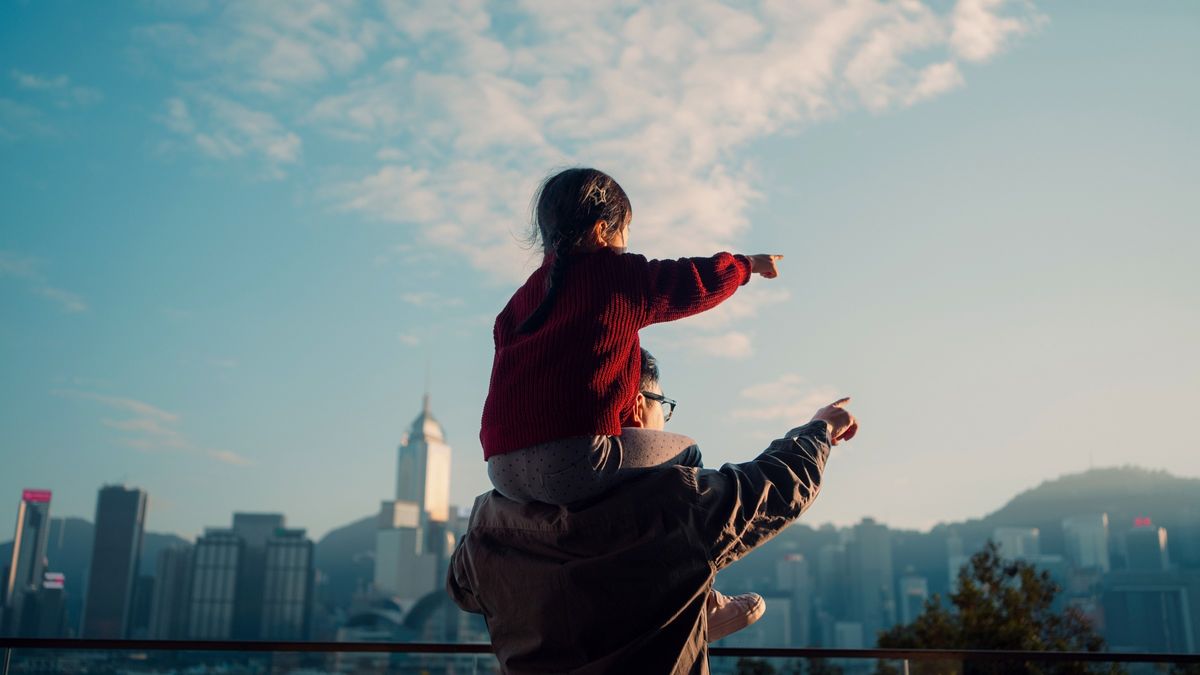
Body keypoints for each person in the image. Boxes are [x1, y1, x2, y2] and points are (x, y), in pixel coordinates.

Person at [450, 350, 858, 674]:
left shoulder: (489, 519)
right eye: (664, 404)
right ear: (636, 406)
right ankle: (692, 618)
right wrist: (819, 428)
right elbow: (776, 486)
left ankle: (693, 616)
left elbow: (463, 591)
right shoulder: (676, 500)